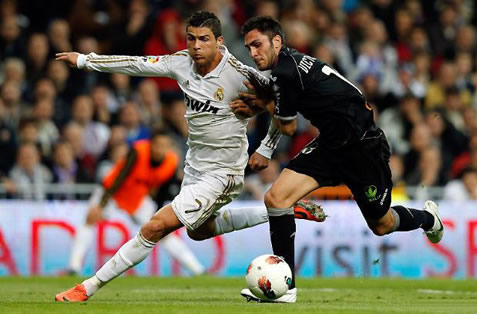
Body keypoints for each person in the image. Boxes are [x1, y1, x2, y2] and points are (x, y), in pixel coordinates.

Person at [54, 11, 325, 302]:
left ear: (219, 42)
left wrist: (266, 148)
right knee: (199, 231)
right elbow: (136, 64)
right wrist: (85, 60)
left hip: (224, 172)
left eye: (204, 39)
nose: (196, 46)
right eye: (191, 38)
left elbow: (283, 109)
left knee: (155, 226)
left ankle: (88, 287)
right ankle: (282, 211)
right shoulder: (181, 62)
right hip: (194, 167)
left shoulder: (242, 75)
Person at [237, 16, 444, 303]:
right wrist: (267, 123)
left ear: (277, 41)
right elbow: (285, 111)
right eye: (249, 48)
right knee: (276, 199)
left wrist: (266, 108)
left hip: (363, 149)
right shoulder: (287, 66)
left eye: (257, 45)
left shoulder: (285, 72)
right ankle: (286, 287)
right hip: (331, 146)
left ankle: (428, 219)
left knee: (381, 225)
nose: (253, 53)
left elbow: (288, 126)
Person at [65, 131, 205, 276]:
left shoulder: (171, 162)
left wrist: (157, 211)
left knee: (162, 229)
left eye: (164, 146)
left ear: (169, 147)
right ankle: (74, 266)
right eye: (157, 145)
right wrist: (102, 204)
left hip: (137, 197)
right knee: (91, 218)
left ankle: (197, 269)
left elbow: (163, 190)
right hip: (113, 191)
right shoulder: (138, 151)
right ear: (151, 145)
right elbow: (120, 176)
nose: (160, 149)